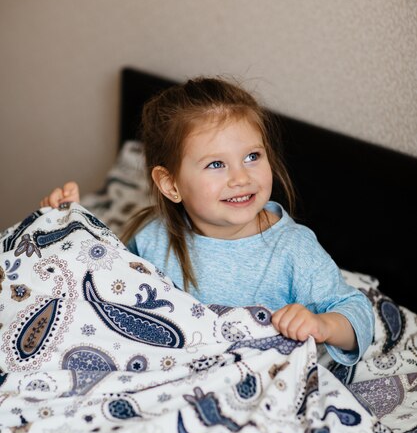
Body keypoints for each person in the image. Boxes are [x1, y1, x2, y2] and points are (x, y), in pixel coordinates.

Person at [40, 76, 374, 365]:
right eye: (216, 164)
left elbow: (356, 313)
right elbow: (104, 286)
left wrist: (323, 325)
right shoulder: (152, 236)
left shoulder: (293, 248)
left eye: (252, 156)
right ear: (171, 184)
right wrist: (67, 229)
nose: (241, 177)